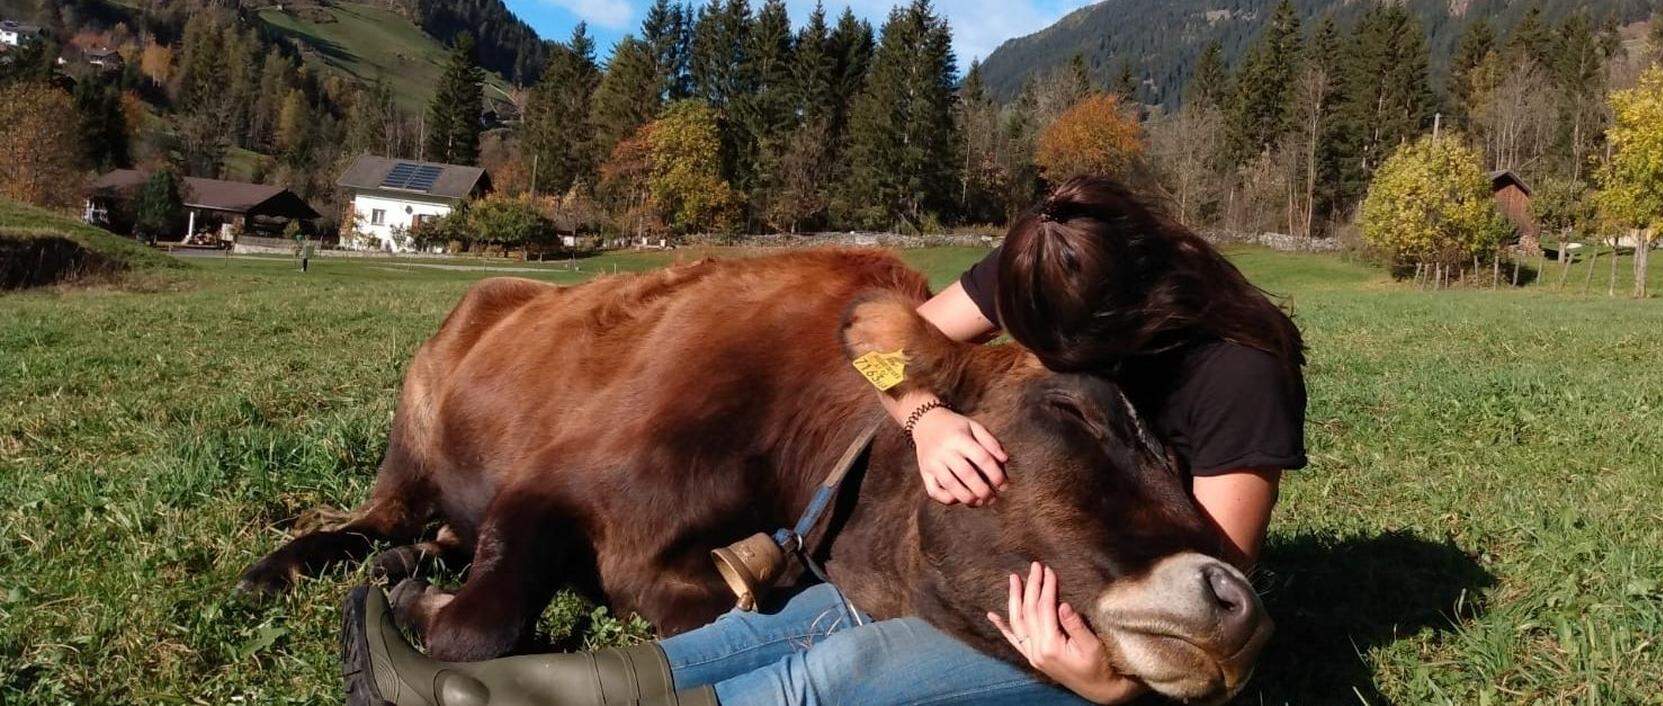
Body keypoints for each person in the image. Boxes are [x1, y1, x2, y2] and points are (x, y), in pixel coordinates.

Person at [343, 176, 1307, 706]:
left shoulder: (1237, 377)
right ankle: (486, 694)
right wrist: (927, 415)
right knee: (805, 620)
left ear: (1139, 312)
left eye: (1066, 353)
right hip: (1054, 575)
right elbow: (882, 338)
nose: (1036, 357)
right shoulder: (1053, 271)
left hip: (1124, 638)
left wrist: (1101, 687)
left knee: (842, 667)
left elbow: (1220, 606)